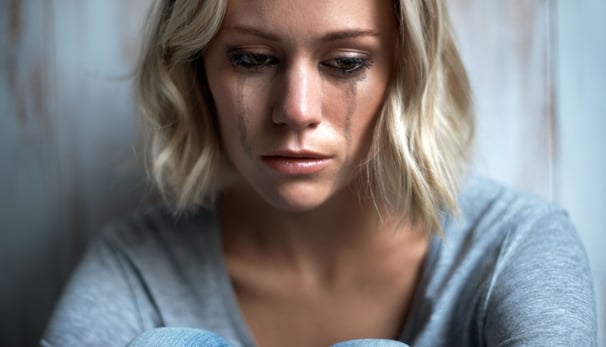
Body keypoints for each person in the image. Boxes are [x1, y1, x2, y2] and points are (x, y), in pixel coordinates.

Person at [41, 0, 597, 346]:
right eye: (252, 59)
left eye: (346, 63)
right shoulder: (138, 270)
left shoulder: (512, 249)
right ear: (197, 70)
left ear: (406, 72)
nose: (297, 109)